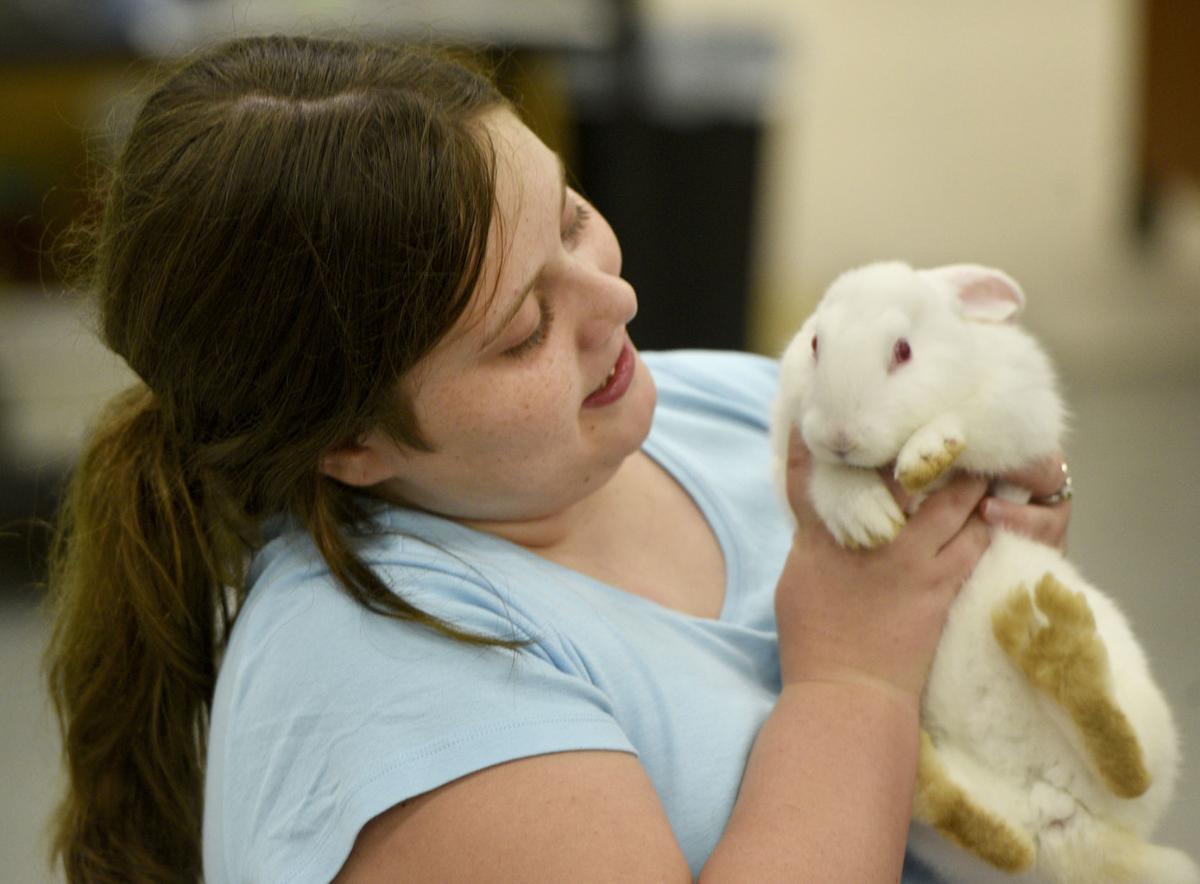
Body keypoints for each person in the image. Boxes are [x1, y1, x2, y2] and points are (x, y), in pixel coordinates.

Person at [43, 34, 1071, 883]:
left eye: (572, 217)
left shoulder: (715, 406)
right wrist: (856, 674)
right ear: (350, 444)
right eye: (527, 325)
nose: (614, 301)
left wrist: (995, 546)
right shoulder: (387, 688)